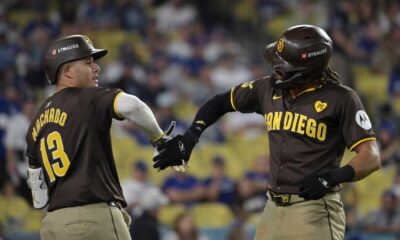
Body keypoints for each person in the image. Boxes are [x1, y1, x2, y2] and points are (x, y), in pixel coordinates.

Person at [153, 25, 381, 240]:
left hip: (315, 208)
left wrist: (332, 177)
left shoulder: (341, 98)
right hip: (272, 207)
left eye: (283, 65)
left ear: (306, 70)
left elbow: (371, 156)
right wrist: (192, 135)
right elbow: (221, 102)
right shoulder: (267, 88)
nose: (276, 69)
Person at [25, 34, 175, 240]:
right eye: (88, 63)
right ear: (67, 70)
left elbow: (39, 197)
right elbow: (133, 105)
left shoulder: (36, 120)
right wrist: (160, 139)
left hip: (53, 225)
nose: (96, 68)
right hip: (92, 218)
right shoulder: (84, 97)